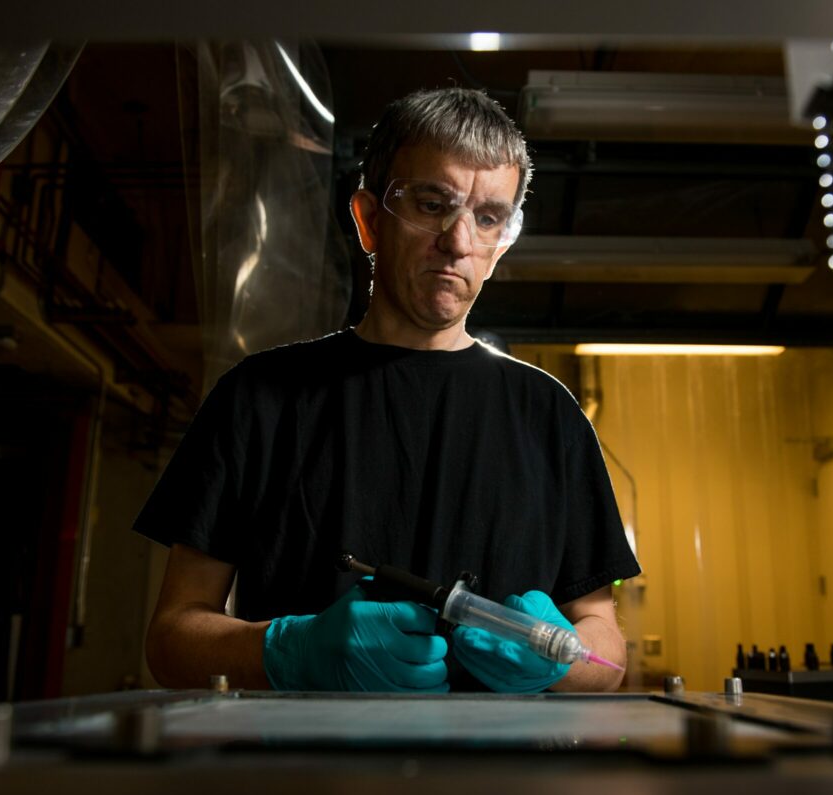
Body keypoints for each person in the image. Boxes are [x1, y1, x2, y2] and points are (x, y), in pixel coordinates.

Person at [136, 87, 640, 693]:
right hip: (305, 783)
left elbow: (605, 641)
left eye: (487, 218)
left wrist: (562, 660)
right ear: (370, 220)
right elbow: (170, 642)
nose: (458, 242)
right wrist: (289, 649)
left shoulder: (550, 415)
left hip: (506, 785)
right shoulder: (260, 398)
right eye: (433, 204)